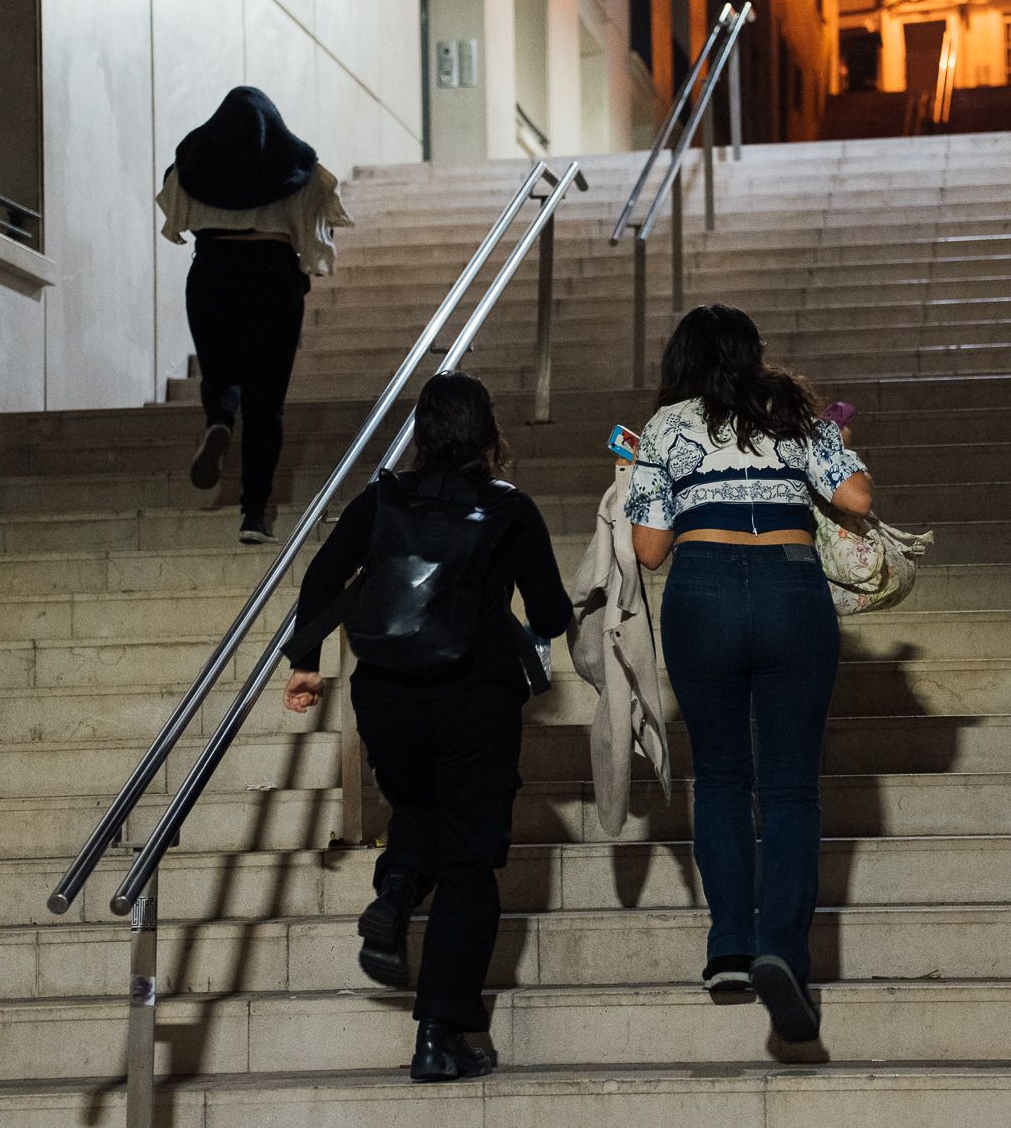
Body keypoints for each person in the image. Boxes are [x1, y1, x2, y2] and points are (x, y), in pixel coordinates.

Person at [280, 372, 570, 1083]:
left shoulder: (380, 499)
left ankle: (400, 885)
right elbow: (551, 613)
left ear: (420, 436)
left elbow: (321, 577)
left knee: (419, 804)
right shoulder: (510, 508)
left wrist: (307, 663)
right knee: (470, 862)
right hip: (476, 694)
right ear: (488, 435)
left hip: (387, 698)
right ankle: (440, 1035)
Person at [624, 304, 874, 1045]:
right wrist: (834, 446)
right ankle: (783, 953)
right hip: (791, 586)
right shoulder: (793, 410)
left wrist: (642, 480)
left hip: (701, 587)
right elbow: (857, 496)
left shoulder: (665, 426)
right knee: (792, 787)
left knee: (724, 776)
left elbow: (647, 550)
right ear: (754, 355)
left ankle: (730, 944)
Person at [158, 86, 354, 542]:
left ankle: (220, 420)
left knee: (220, 371)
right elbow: (317, 248)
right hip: (273, 278)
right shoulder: (301, 169)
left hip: (210, 273)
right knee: (266, 405)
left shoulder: (194, 164)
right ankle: (254, 515)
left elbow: (174, 217)